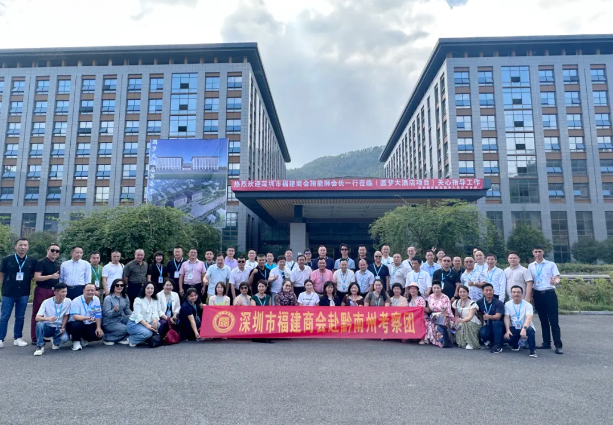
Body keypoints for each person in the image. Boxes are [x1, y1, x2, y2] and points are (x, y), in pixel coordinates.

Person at [0, 238, 37, 348]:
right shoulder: (7, 260)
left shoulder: (32, 261)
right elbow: (1, 273)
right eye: (20, 245)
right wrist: (5, 284)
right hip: (8, 293)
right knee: (4, 317)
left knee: (20, 317)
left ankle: (18, 338)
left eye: (25, 245)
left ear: (28, 247)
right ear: (15, 246)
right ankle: (1, 338)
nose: (23, 247)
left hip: (23, 292)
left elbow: (34, 275)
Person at [529, 246, 563, 354]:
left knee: (554, 321)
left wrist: (555, 281)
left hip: (549, 293)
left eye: (539, 251)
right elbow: (530, 281)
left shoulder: (551, 264)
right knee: (543, 320)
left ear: (543, 252)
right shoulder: (531, 266)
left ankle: (558, 345)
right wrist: (530, 296)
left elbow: (557, 277)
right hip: (537, 294)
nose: (538, 253)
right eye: (536, 251)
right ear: (533, 253)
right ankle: (546, 343)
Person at [31, 243, 61, 344]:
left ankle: (44, 334)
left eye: (57, 251)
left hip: (54, 291)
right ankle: (35, 338)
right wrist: (51, 276)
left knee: (50, 313)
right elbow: (37, 277)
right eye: (52, 250)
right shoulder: (41, 262)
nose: (55, 252)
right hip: (42, 290)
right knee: (38, 313)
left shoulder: (57, 263)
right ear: (47, 251)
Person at [33, 283, 71, 355]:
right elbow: (37, 318)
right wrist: (48, 319)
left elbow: (66, 315)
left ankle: (55, 341)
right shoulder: (46, 302)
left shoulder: (68, 301)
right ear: (56, 293)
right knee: (39, 324)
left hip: (59, 327)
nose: (64, 294)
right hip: (48, 326)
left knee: (65, 338)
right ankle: (40, 346)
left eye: (66, 291)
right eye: (62, 292)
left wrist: (63, 327)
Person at [67, 283, 103, 351]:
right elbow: (75, 316)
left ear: (95, 291)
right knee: (77, 324)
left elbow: (98, 314)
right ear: (83, 290)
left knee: (98, 335)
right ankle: (76, 341)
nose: (90, 292)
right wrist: (86, 318)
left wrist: (98, 328)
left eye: (92, 290)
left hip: (89, 323)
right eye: (88, 290)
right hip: (76, 323)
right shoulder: (76, 301)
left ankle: (82, 338)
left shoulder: (96, 299)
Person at [504, 285, 537, 358]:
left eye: (518, 292)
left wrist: (524, 329)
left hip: (526, 326)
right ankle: (516, 344)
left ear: (522, 294)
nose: (516, 294)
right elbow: (506, 317)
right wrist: (507, 330)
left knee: (530, 330)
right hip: (514, 327)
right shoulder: (507, 304)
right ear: (511, 293)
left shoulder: (528, 305)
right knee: (505, 338)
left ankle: (532, 350)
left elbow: (529, 318)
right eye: (514, 292)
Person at [127, 282, 160, 347]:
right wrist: (147, 325)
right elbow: (138, 315)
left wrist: (155, 320)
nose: (150, 290)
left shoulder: (154, 300)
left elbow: (155, 312)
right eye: (148, 288)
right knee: (148, 333)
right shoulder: (138, 299)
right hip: (134, 324)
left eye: (152, 288)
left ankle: (144, 337)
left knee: (158, 324)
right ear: (144, 289)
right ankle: (131, 339)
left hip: (146, 322)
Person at [476, 283, 505, 353]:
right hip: (488, 324)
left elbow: (497, 317)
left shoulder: (498, 303)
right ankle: (491, 341)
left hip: (499, 325)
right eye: (486, 290)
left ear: (493, 291)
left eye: (490, 290)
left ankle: (497, 345)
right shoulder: (479, 302)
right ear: (483, 292)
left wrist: (488, 316)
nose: (489, 292)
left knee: (496, 323)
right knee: (483, 332)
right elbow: (478, 313)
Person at [101, 279, 132, 345]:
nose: (119, 287)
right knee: (126, 329)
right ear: (113, 286)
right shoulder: (108, 298)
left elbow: (127, 310)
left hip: (121, 318)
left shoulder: (125, 296)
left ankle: (120, 338)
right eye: (117, 285)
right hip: (109, 322)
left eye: (121, 285)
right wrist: (114, 310)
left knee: (134, 321)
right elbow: (106, 314)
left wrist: (136, 316)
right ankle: (107, 338)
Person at [425, 281, 453, 348]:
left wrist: (444, 318)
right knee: (426, 322)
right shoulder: (430, 297)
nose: (436, 290)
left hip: (444, 316)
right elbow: (429, 309)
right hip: (434, 316)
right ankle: (432, 340)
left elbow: (447, 310)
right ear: (432, 289)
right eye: (434, 288)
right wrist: (421, 308)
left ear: (441, 288)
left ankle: (442, 342)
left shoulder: (445, 297)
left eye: (438, 288)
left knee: (439, 326)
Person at [452, 285, 481, 350]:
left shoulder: (472, 303)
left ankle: (471, 343)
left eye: (464, 292)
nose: (462, 294)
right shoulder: (456, 302)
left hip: (472, 321)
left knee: (466, 324)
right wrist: (456, 321)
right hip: (461, 320)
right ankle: (462, 342)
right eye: (460, 292)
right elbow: (456, 315)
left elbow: (470, 316)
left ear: (468, 293)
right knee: (456, 324)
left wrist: (461, 320)